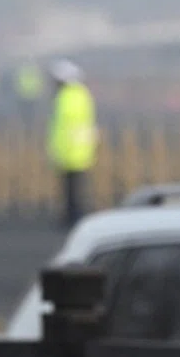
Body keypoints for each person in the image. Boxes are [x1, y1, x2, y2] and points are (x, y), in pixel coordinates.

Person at [47, 60, 98, 230]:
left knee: (72, 188)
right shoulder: (80, 94)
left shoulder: (68, 97)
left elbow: (66, 126)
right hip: (76, 149)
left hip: (72, 150)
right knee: (72, 187)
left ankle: (74, 217)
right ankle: (72, 215)